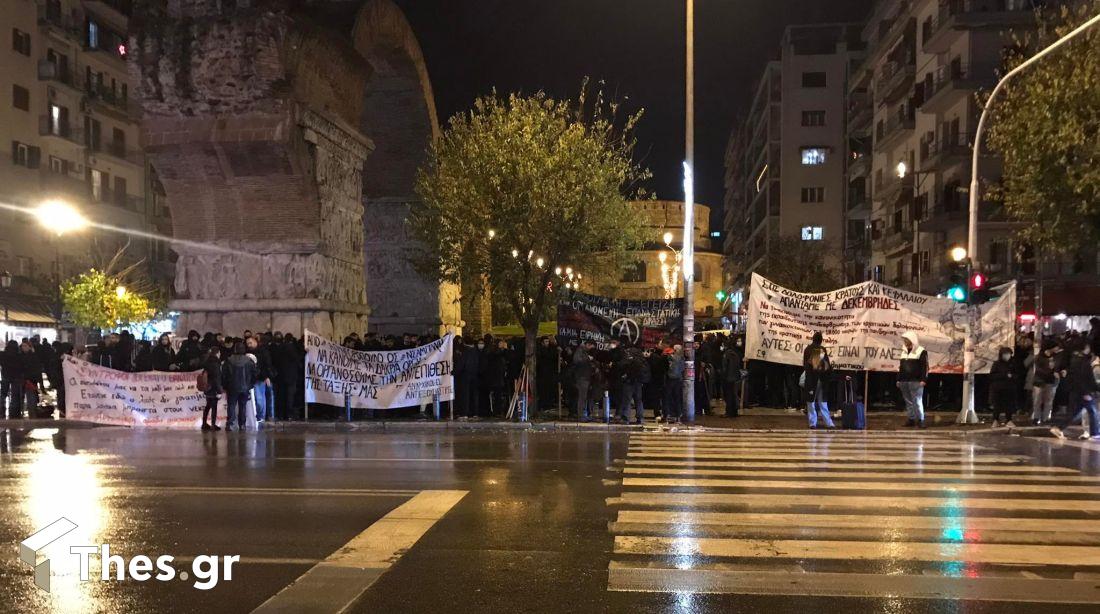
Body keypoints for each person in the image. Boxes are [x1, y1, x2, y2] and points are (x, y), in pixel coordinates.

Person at [1051, 340, 1100, 441]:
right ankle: (1094, 433)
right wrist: (1087, 392)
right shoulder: (1082, 362)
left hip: (1077, 391)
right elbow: (1085, 378)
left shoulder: (1075, 360)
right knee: (1092, 411)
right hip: (1083, 392)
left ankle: (1059, 428)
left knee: (1075, 412)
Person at [221, 342, 257, 431]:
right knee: (242, 406)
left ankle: (230, 423)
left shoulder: (229, 360)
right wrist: (250, 385)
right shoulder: (249, 361)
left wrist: (225, 386)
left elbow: (224, 374)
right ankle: (242, 424)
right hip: (245, 387)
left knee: (231, 406)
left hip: (232, 387)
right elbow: (254, 374)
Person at [802, 332, 835, 429]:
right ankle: (829, 423)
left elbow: (806, 364)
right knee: (823, 402)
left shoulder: (807, 349)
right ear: (821, 340)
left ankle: (813, 423)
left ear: (813, 339)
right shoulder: (820, 349)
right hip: (821, 379)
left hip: (811, 379)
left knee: (811, 402)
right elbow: (824, 366)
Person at [897, 331, 929, 429]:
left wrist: (924, 379)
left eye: (907, 339)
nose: (905, 341)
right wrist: (898, 379)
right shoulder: (903, 351)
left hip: (916, 381)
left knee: (917, 401)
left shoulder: (921, 351)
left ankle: (920, 420)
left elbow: (925, 367)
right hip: (904, 381)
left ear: (912, 339)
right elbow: (901, 367)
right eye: (904, 340)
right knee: (908, 401)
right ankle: (911, 419)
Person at [246, 335, 276, 423]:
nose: (249, 345)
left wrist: (266, 377)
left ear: (255, 342)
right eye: (247, 343)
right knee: (261, 398)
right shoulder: (249, 352)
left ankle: (264, 416)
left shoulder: (263, 351)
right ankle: (263, 416)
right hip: (256, 378)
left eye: (250, 343)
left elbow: (267, 365)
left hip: (262, 378)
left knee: (261, 398)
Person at [1031, 339, 1061, 425]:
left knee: (1049, 400)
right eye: (1055, 347)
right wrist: (1051, 373)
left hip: (1051, 382)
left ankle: (1046, 418)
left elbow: (1058, 367)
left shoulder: (1055, 357)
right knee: (1037, 400)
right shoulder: (1039, 357)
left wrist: (1058, 372)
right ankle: (1036, 417)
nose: (1057, 348)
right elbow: (1039, 370)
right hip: (1039, 381)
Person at [618, 344, 648, 425]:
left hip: (629, 382)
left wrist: (625, 375)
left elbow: (622, 365)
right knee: (638, 400)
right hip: (638, 382)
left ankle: (625, 418)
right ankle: (640, 418)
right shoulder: (641, 358)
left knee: (627, 400)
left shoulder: (629, 356)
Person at [989, 347, 1017, 427]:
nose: (1007, 356)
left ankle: (1009, 420)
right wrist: (1004, 375)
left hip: (1009, 388)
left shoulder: (1013, 364)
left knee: (1009, 405)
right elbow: (992, 375)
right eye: (1005, 354)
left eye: (1008, 354)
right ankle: (995, 420)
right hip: (998, 388)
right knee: (997, 405)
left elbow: (1017, 375)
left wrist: (1012, 376)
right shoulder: (997, 364)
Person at [1, 340, 24, 418]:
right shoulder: (19, 355)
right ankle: (13, 413)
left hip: (5, 376)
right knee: (15, 396)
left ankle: (1, 410)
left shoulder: (3, 354)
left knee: (3, 394)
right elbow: (22, 366)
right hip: (16, 377)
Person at [200, 348, 223, 431]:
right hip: (213, 388)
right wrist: (219, 391)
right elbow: (216, 378)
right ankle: (213, 424)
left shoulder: (207, 362)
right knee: (214, 407)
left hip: (207, 387)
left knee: (208, 406)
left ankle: (204, 423)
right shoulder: (216, 363)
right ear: (217, 353)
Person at [722, 337, 744, 418]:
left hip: (728, 377)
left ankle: (729, 412)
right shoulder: (736, 353)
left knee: (728, 395)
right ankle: (734, 412)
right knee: (733, 394)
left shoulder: (727, 354)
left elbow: (725, 367)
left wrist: (723, 376)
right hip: (734, 377)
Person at [572, 341, 594, 421]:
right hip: (582, 377)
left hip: (585, 377)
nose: (591, 349)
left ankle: (583, 415)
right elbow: (576, 360)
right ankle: (581, 415)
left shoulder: (583, 351)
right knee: (582, 397)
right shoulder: (580, 350)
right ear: (588, 344)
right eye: (591, 346)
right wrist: (588, 358)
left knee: (584, 397)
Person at [20, 340, 42, 416]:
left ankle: (32, 414)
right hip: (21, 380)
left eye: (25, 346)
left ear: (30, 347)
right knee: (21, 398)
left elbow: (37, 369)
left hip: (31, 380)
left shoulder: (33, 356)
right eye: (22, 346)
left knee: (31, 399)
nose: (23, 347)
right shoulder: (20, 356)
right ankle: (22, 413)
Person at [664, 345, 685, 422]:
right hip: (679, 379)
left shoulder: (671, 358)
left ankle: (670, 413)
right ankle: (679, 413)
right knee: (677, 397)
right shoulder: (682, 358)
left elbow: (669, 368)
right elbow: (682, 369)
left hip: (671, 379)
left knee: (669, 397)